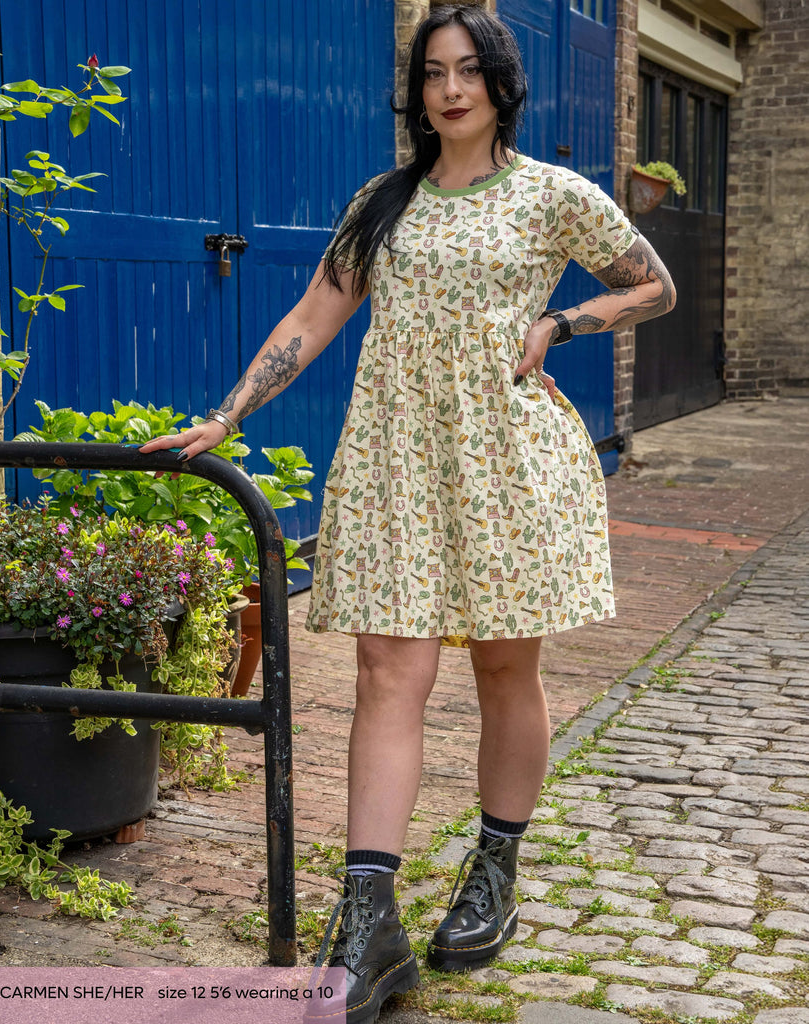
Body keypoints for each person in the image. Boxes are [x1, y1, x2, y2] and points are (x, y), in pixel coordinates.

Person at [143, 5, 675, 1022]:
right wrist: (227, 413)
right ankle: (368, 923)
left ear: (501, 84)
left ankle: (495, 870)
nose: (451, 89)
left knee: (504, 667)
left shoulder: (554, 195)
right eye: (433, 72)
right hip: (394, 458)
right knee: (388, 672)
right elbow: (314, 313)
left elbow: (654, 286)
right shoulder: (382, 203)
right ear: (416, 91)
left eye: (469, 71)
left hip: (507, 461)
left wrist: (563, 321)